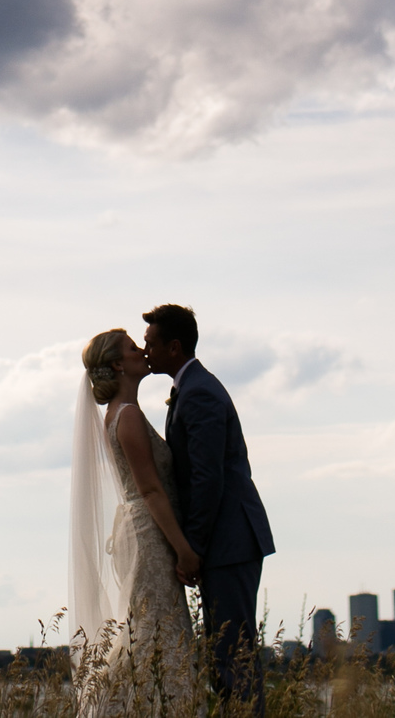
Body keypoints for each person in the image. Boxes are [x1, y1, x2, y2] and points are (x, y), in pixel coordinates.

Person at [143, 303, 275, 715]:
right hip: (227, 540)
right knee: (225, 655)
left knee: (232, 656)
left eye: (151, 343)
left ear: (174, 347)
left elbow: (207, 478)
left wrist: (192, 547)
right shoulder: (192, 388)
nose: (145, 351)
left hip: (229, 540)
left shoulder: (199, 392)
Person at [71, 328, 201, 718]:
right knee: (156, 632)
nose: (142, 350)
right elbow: (151, 491)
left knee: (149, 631)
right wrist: (184, 550)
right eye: (133, 348)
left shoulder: (121, 415)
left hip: (140, 530)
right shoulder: (126, 417)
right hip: (150, 536)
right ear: (117, 364)